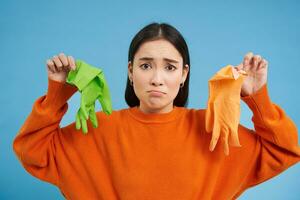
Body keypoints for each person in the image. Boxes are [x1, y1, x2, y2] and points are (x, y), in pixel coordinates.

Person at [13, 22, 300, 200]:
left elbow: (284, 150)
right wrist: (57, 92)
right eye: (146, 65)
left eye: (170, 67)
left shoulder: (213, 130)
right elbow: (32, 150)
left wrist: (256, 96)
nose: (157, 79)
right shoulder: (97, 128)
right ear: (130, 71)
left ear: (184, 74)